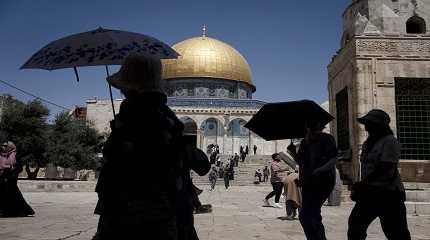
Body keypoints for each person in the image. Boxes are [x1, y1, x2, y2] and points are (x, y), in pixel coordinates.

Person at [92, 55, 210, 240]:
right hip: (168, 217)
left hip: (135, 219)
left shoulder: (136, 120)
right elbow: (202, 165)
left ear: (129, 87)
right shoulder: (167, 119)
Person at [347, 109, 411, 240]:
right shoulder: (367, 144)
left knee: (396, 232)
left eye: (369, 123)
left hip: (389, 195)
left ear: (379, 125)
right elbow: (365, 168)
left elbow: (386, 168)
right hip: (369, 194)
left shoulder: (390, 142)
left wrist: (362, 184)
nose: (366, 127)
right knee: (355, 227)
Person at [297, 120, 338, 240]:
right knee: (307, 215)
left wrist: (319, 170)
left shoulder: (327, 139)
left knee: (309, 214)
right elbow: (301, 162)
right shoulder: (305, 142)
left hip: (323, 181)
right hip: (308, 181)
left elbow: (333, 159)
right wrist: (293, 152)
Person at [0, 141, 35, 217]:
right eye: (3, 146)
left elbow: (19, 168)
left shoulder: (15, 155)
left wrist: (12, 169)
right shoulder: (3, 156)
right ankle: (6, 211)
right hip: (3, 178)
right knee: (4, 195)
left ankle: (22, 211)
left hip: (11, 179)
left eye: (5, 146)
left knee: (14, 195)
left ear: (10, 147)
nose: (3, 147)